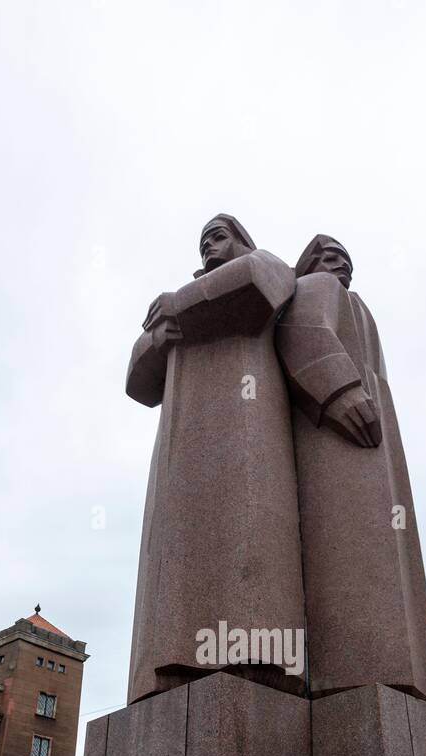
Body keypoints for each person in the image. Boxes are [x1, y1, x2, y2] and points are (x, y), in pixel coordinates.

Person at [125, 215, 306, 702]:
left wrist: (178, 310)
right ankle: (174, 663)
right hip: (180, 445)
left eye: (218, 235)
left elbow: (257, 287)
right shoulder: (184, 303)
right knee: (178, 548)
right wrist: (163, 334)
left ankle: (256, 655)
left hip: (248, 420)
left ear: (242, 239)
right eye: (202, 240)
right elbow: (138, 381)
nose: (209, 246)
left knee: (246, 532)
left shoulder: (262, 263)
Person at [275, 234, 426, 705]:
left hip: (369, 427)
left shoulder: (356, 304)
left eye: (346, 260)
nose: (340, 266)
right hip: (339, 433)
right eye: (330, 258)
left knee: (387, 553)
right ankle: (367, 671)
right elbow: (302, 332)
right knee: (358, 546)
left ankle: (401, 677)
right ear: (310, 264)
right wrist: (339, 392)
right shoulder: (317, 288)